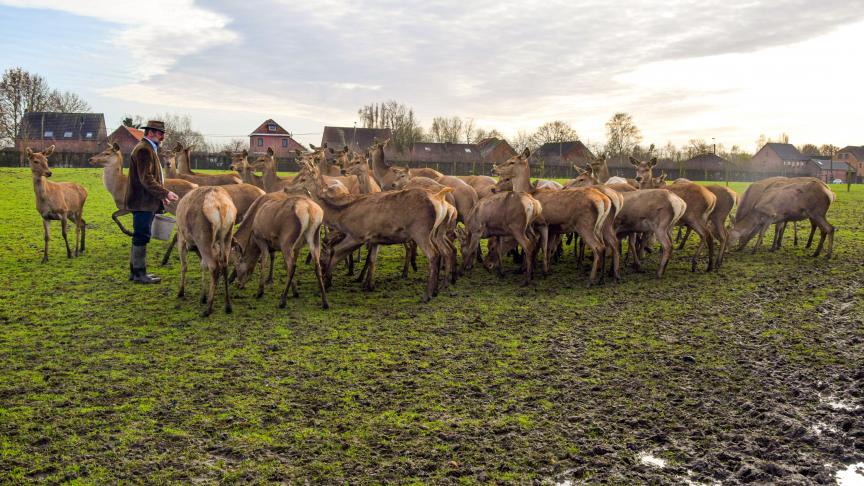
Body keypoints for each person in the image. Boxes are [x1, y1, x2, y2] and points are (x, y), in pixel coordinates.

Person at [125, 120, 178, 284]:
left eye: (162, 133)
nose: (162, 136)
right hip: (142, 202)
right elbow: (146, 178)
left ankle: (135, 272)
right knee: (142, 235)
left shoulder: (148, 149)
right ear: (151, 133)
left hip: (145, 201)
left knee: (140, 234)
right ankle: (140, 274)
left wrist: (161, 197)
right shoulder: (144, 150)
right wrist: (165, 193)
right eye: (160, 133)